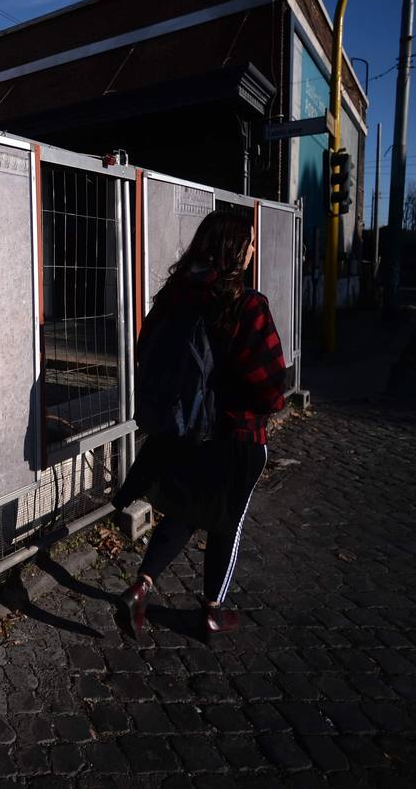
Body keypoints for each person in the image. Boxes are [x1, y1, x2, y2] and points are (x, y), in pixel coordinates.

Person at [116, 209, 286, 639]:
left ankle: (141, 587)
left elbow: (145, 349)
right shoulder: (247, 306)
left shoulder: (175, 296)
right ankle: (213, 611)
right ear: (234, 250)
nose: (251, 251)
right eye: (248, 243)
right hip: (237, 435)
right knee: (227, 521)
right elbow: (270, 385)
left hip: (184, 432)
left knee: (184, 511)